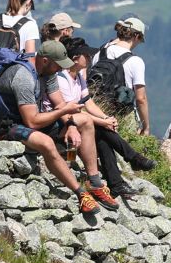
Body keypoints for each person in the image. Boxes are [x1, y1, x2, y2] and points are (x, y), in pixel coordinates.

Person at [0, 39, 120, 214]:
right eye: (58, 65)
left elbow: (58, 103)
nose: (61, 69)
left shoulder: (48, 72)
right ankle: (80, 192)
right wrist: (65, 112)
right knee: (46, 143)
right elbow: (32, 122)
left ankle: (94, 182)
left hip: (29, 120)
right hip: (8, 126)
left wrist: (72, 125)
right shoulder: (23, 77)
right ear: (45, 60)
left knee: (85, 121)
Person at [58, 36, 154, 196]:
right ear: (75, 58)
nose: (89, 58)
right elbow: (71, 111)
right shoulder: (62, 79)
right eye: (86, 55)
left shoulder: (79, 78)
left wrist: (105, 118)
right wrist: (103, 122)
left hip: (79, 124)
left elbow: (88, 104)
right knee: (101, 131)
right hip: (66, 128)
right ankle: (133, 159)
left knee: (102, 137)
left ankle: (117, 183)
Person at [90, 16, 151, 135]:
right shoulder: (135, 61)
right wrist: (146, 126)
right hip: (122, 114)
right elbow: (141, 98)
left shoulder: (100, 53)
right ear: (137, 36)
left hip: (97, 112)